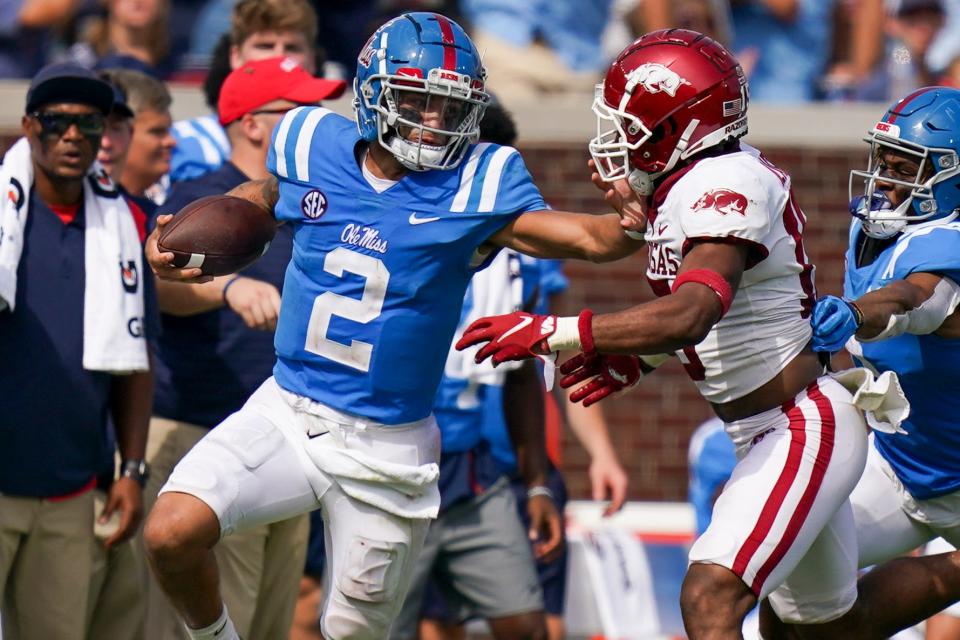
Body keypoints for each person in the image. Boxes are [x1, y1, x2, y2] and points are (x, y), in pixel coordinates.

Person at [143, 12, 644, 640]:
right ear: (375, 94)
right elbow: (266, 195)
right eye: (417, 98)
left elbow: (589, 239)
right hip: (290, 409)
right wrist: (198, 235)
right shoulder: (310, 142)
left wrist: (632, 218)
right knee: (168, 533)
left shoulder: (477, 183)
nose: (433, 119)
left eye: (447, 104)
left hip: (388, 448)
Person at [455, 29, 960, 640]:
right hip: (826, 439)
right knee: (815, 625)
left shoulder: (730, 183)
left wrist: (558, 331)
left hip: (803, 424)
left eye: (628, 119)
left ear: (675, 124)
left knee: (710, 594)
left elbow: (698, 310)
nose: (614, 136)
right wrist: (641, 359)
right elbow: (731, 316)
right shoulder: (687, 191)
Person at [144, 56, 341, 640]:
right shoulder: (202, 194)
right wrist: (227, 286)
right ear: (255, 124)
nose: (317, 119)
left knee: (268, 628)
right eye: (299, 108)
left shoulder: (314, 202)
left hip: (290, 445)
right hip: (205, 436)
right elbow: (159, 283)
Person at [764, 85, 960, 637]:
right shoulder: (872, 230)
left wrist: (856, 311)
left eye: (909, 168)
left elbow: (915, 299)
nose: (887, 180)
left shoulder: (947, 246)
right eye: (886, 161)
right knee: (794, 594)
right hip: (903, 466)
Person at [0, 62, 155, 640]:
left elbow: (138, 358)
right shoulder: (3, 213)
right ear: (28, 127)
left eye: (89, 124)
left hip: (70, 489)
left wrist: (133, 468)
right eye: (57, 122)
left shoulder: (123, 225)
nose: (73, 136)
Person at [391, 246, 562, 640]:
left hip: (470, 471)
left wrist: (537, 483)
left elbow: (520, 375)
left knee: (525, 623)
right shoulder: (407, 229)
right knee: (377, 629)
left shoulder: (519, 260)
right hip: (391, 468)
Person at [169, 0, 329, 185]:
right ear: (235, 56)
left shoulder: (332, 143)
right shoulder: (189, 144)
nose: (279, 56)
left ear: (312, 60)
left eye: (292, 48)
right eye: (265, 46)